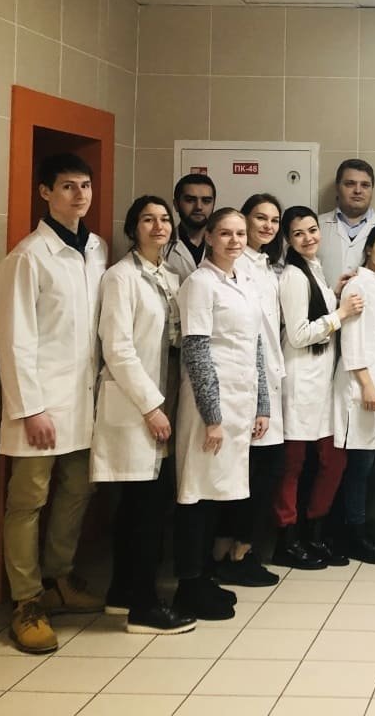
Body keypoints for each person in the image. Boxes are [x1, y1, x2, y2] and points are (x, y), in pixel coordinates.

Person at [0, 153, 108, 653]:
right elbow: (14, 339)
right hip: (40, 404)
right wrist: (30, 408)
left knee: (77, 490)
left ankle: (59, 578)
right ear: (45, 192)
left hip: (84, 401)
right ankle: (26, 601)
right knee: (28, 500)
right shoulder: (28, 256)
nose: (79, 195)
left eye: (85, 186)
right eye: (67, 186)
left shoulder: (96, 249)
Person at [91, 195, 195, 635]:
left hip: (162, 398)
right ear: (133, 228)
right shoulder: (120, 277)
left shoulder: (168, 276)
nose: (159, 226)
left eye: (164, 219)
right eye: (148, 220)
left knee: (141, 506)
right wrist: (152, 407)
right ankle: (144, 608)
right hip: (137, 405)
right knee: (144, 510)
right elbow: (117, 348)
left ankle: (121, 593)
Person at [172, 208, 270, 622]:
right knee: (196, 495)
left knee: (219, 494)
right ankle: (188, 585)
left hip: (239, 403)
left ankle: (205, 577)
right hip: (209, 408)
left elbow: (255, 346)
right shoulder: (200, 283)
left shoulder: (242, 281)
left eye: (240, 234)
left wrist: (262, 404)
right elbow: (196, 350)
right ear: (209, 237)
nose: (235, 241)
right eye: (225, 233)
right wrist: (212, 417)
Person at [274, 207, 362, 569]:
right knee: (293, 465)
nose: (308, 237)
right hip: (300, 381)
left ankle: (315, 532)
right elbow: (298, 335)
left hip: (321, 383)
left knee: (333, 460)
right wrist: (340, 314)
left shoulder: (313, 269)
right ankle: (287, 540)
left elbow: (315, 313)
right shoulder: (293, 276)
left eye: (312, 230)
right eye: (298, 233)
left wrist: (334, 292)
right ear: (287, 239)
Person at [207, 194, 286, 588]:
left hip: (262, 382)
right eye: (260, 218)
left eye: (274, 220)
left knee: (261, 472)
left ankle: (239, 550)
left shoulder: (267, 267)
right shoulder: (235, 269)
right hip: (242, 386)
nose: (267, 226)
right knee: (248, 474)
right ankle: (231, 554)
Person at [332, 223, 375, 564]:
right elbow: (352, 340)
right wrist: (366, 383)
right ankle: (352, 535)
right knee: (359, 468)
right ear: (369, 249)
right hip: (361, 388)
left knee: (368, 464)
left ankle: (354, 530)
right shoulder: (359, 285)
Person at [318, 158, 375, 291]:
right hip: (323, 304)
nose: (358, 190)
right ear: (337, 187)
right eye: (350, 184)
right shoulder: (314, 228)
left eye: (365, 185)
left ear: (372, 189)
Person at [164, 173, 216, 283]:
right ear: (176, 204)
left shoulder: (222, 245)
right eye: (190, 200)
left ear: (213, 205)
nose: (199, 207)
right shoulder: (161, 248)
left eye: (206, 201)